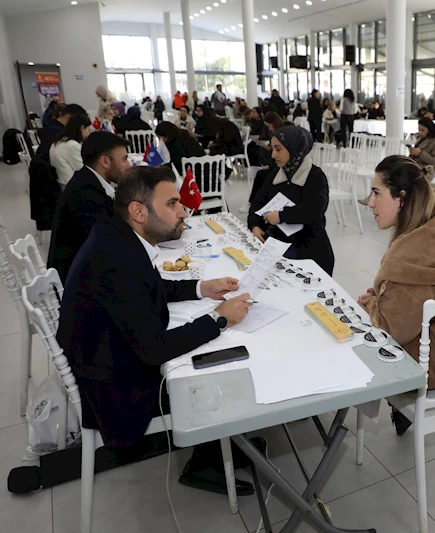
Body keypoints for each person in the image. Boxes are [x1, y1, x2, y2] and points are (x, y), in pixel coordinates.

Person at [56, 165, 255, 493]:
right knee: (220, 367)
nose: (183, 212)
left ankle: (227, 444)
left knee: (212, 353)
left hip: (105, 362)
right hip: (115, 392)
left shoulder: (116, 236)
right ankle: (207, 461)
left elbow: (147, 286)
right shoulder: (117, 259)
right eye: (173, 204)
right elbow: (154, 348)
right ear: (138, 211)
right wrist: (219, 318)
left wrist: (200, 288)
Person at [358, 155, 435, 435]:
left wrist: (371, 301)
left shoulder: (408, 256)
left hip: (431, 369)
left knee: (355, 335)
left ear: (401, 198)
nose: (371, 203)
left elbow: (388, 330)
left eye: (377, 193)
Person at [248, 126, 334, 274]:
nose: (273, 155)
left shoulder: (315, 176)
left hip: (307, 248)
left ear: (294, 148)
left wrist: (281, 216)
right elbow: (257, 205)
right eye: (272, 149)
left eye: (278, 149)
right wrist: (255, 226)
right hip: (275, 245)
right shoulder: (274, 175)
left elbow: (314, 211)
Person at [47, 132, 131, 280]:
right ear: (105, 161)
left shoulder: (86, 180)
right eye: (124, 159)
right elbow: (110, 245)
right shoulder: (85, 195)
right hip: (78, 280)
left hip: (85, 267)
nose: (128, 165)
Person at [49, 114, 92, 190]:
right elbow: (82, 169)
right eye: (88, 130)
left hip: (61, 183)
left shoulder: (58, 142)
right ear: (82, 128)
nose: (88, 134)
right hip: (72, 186)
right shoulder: (72, 145)